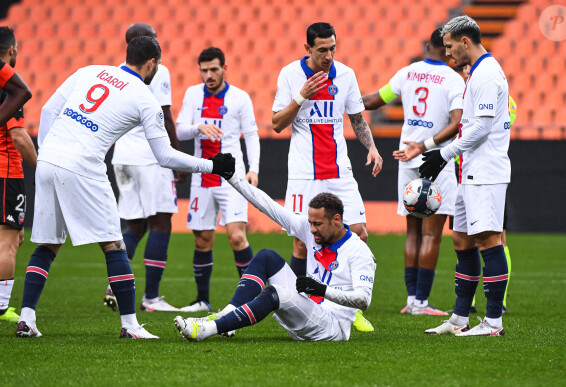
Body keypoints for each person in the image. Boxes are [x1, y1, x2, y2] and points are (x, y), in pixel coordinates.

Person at [15, 36, 229, 339]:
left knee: (49, 243)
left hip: (48, 158)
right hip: (84, 166)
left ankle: (27, 318)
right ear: (152, 63)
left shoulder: (89, 71)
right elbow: (165, 155)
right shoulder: (144, 98)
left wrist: (50, 153)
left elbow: (49, 110)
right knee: (114, 244)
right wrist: (211, 165)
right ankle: (130, 326)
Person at [173, 154, 376, 342]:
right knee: (266, 257)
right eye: (311, 223)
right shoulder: (310, 228)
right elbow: (268, 206)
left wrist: (322, 290)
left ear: (337, 220)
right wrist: (233, 177)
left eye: (318, 224)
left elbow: (363, 300)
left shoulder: (359, 251)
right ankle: (225, 316)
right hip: (309, 308)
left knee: (276, 293)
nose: (312, 230)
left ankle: (206, 330)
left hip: (332, 327)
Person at [271, 22, 382, 332]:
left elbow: (357, 119)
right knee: (301, 244)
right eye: (322, 50)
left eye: (333, 48)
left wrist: (371, 148)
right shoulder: (290, 75)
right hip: (305, 174)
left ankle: (351, 307)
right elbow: (277, 123)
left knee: (358, 233)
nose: (329, 55)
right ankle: (297, 304)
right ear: (307, 49)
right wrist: (301, 96)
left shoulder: (345, 75)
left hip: (339, 172)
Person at [362, 29, 464, 316]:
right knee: (432, 235)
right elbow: (457, 124)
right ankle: (421, 302)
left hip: (406, 157)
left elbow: (373, 101)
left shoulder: (407, 73)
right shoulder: (454, 79)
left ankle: (411, 301)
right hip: (436, 158)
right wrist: (426, 144)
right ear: (446, 48)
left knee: (412, 231)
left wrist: (340, 96)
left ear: (426, 45)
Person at [420, 16, 511, 336]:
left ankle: (493, 322)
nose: (448, 54)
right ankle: (460, 317)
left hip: (485, 172)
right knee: (461, 240)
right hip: (470, 171)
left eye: (449, 47)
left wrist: (443, 154)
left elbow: (482, 128)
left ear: (465, 42)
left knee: (488, 240)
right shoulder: (478, 73)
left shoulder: (486, 75)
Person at [106, 23, 185, 313]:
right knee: (161, 224)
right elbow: (165, 116)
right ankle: (151, 297)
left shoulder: (115, 73)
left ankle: (115, 283)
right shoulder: (156, 70)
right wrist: (177, 158)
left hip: (123, 158)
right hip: (151, 158)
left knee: (134, 226)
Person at [175, 47, 260, 312]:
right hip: (202, 177)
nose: (209, 75)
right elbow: (179, 131)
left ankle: (252, 299)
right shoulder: (192, 94)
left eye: (214, 69)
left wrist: (254, 169)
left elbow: (252, 135)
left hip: (232, 178)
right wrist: (197, 127)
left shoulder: (240, 98)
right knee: (202, 240)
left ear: (225, 68)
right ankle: (202, 300)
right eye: (204, 70)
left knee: (236, 237)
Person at [0, 27, 36, 323]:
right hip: (6, 173)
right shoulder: (9, 89)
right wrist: (41, 165)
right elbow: (19, 136)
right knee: (8, 241)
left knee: (14, 237)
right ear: (12, 50)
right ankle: (1, 308)